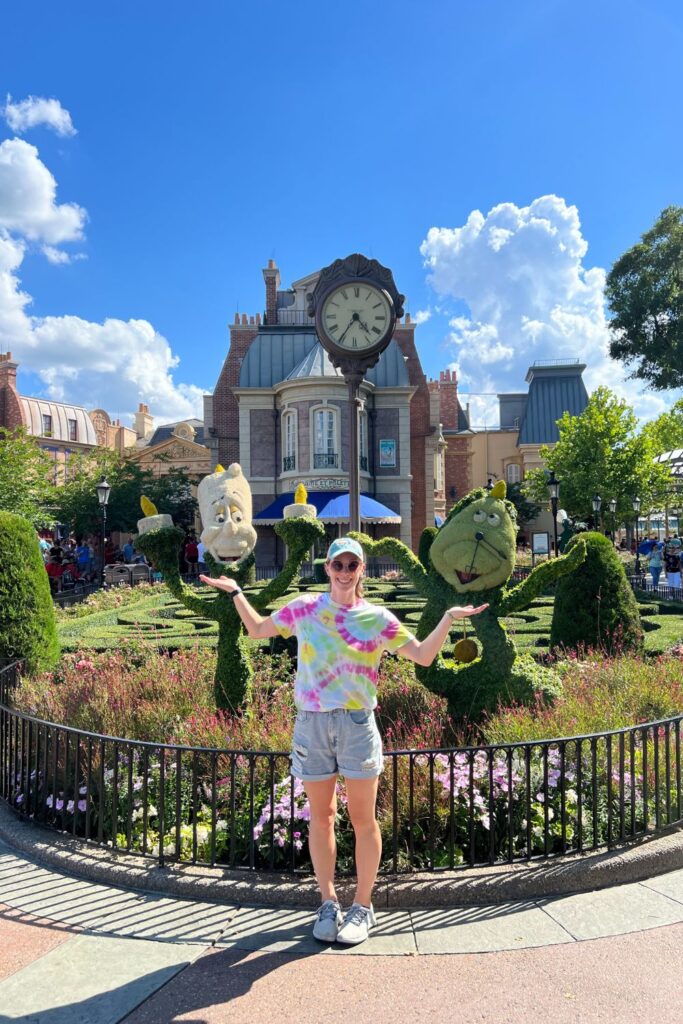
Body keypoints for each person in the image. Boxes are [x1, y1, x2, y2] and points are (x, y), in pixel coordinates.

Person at [201, 536, 488, 946]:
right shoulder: (306, 608)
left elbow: (423, 655)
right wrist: (237, 592)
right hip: (313, 724)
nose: (344, 572)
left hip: (356, 724)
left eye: (352, 565)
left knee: (363, 819)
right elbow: (257, 629)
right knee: (321, 817)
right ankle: (328, 902)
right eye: (338, 565)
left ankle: (363, 905)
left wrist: (447, 618)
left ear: (361, 570)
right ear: (328, 569)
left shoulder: (376, 618)